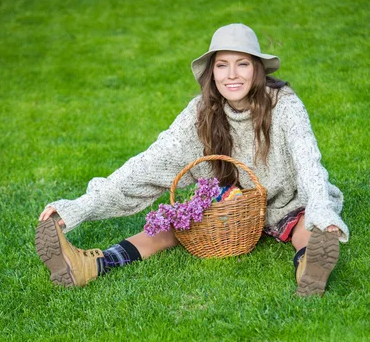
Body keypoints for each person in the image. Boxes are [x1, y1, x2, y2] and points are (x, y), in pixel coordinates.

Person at [37, 23, 349, 296]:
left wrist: (322, 211)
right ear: (211, 72)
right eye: (222, 65)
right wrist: (80, 205)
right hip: (228, 205)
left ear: (257, 69)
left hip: (286, 202)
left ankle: (310, 267)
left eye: (242, 64)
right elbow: (149, 164)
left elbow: (308, 160)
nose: (232, 75)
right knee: (173, 225)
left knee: (306, 226)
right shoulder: (201, 112)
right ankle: (91, 264)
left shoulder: (284, 105)